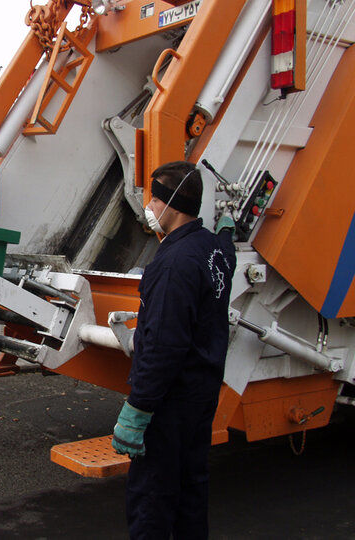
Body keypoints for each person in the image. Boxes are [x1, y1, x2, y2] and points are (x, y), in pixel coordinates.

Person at [111, 161, 236, 538]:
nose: (148, 206)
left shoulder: (174, 264)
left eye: (154, 198)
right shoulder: (215, 250)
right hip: (201, 395)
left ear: (173, 206)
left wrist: (138, 409)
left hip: (170, 403)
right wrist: (227, 229)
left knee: (153, 499)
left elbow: (165, 346)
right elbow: (226, 246)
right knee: (190, 492)